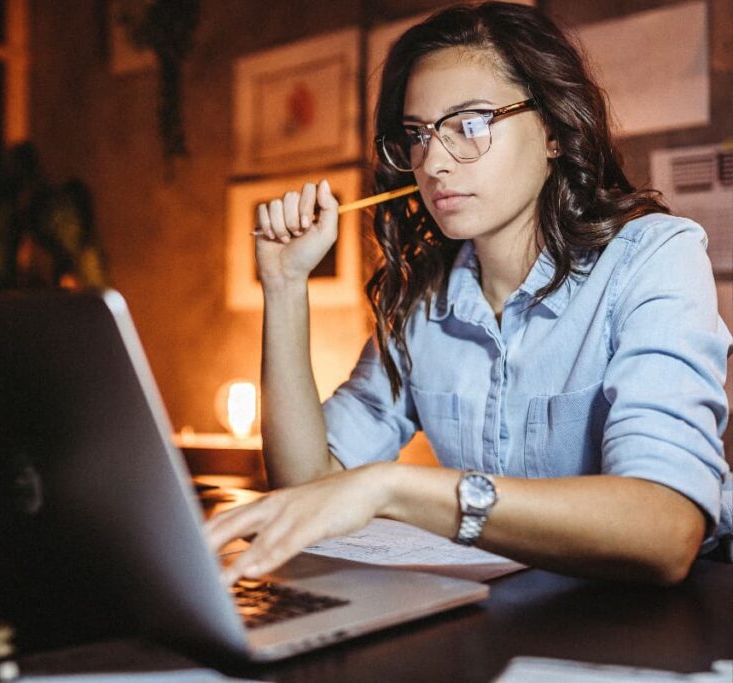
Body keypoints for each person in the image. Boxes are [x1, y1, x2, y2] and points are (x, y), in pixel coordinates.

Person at [205, 1, 732, 586]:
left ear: (554, 130)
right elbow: (306, 492)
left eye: (471, 124)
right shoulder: (423, 303)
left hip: (668, 626)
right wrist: (283, 286)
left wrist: (392, 486)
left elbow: (666, 531)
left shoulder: (654, 257)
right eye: (417, 135)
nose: (432, 162)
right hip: (507, 624)